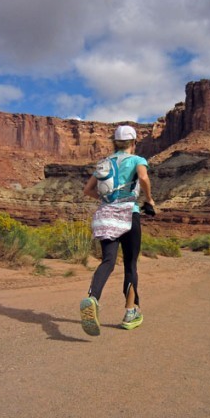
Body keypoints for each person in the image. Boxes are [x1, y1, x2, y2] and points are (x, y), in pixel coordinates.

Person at [80, 125, 155, 336]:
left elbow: (87, 190)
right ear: (133, 143)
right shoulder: (137, 160)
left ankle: (93, 298)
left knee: (108, 261)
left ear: (115, 143)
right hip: (129, 214)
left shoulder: (105, 163)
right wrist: (149, 198)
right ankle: (130, 313)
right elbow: (143, 178)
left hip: (106, 216)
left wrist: (105, 200)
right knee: (130, 264)